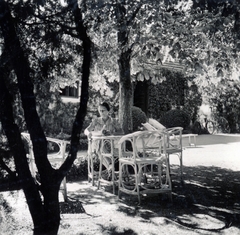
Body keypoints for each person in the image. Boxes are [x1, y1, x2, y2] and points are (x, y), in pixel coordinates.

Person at [84, 102, 123, 179]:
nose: (102, 112)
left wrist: (112, 133)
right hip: (97, 144)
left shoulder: (114, 121)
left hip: (111, 145)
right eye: (100, 110)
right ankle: (111, 167)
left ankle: (110, 167)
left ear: (108, 111)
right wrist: (88, 133)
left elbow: (121, 132)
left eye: (103, 110)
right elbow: (86, 130)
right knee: (100, 144)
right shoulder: (96, 121)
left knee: (101, 148)